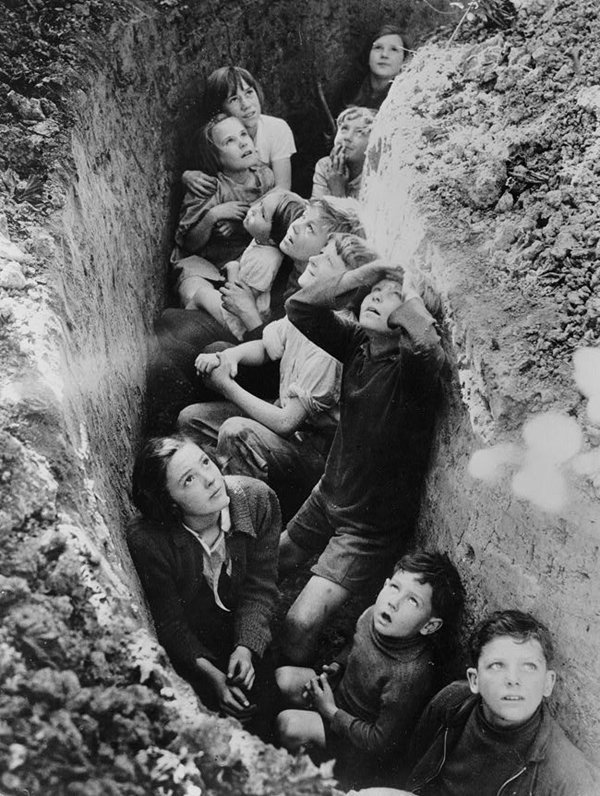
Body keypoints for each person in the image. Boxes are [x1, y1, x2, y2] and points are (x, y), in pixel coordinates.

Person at [279, 260, 446, 665]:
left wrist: (408, 297)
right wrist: (359, 276)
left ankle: (284, 693)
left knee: (300, 622)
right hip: (329, 495)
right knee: (276, 559)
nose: (376, 297)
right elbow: (300, 308)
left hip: (368, 528)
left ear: (408, 316)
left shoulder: (410, 374)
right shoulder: (358, 344)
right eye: (374, 292)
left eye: (391, 296)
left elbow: (427, 348)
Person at [176, 233, 378, 521]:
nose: (314, 258)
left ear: (343, 287)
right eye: (320, 251)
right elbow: (266, 347)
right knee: (190, 421)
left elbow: (287, 423)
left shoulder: (332, 343)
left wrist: (226, 385)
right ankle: (208, 499)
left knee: (236, 432)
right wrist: (231, 357)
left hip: (310, 455)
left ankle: (247, 521)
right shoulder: (307, 312)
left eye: (327, 259)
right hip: (282, 428)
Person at [127, 435, 280, 740]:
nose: (210, 479)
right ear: (169, 502)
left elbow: (260, 589)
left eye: (206, 462)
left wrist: (246, 647)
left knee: (265, 712)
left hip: (242, 627)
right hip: (195, 645)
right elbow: (171, 624)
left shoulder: (257, 500)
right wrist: (214, 678)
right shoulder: (149, 541)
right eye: (188, 480)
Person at [350, 610, 600, 796]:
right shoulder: (452, 703)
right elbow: (408, 765)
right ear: (474, 679)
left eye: (529, 667)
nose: (513, 680)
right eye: (497, 666)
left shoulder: (565, 777)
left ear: (548, 683)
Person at [275, 551, 465, 790]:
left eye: (412, 601)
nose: (393, 602)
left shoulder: (409, 675)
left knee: (288, 724)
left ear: (429, 626)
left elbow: (379, 742)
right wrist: (336, 666)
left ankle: (306, 777)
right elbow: (355, 645)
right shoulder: (373, 615)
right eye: (395, 587)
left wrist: (331, 712)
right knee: (283, 678)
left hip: (356, 744)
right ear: (385, 585)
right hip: (338, 700)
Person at [152, 195, 365, 394]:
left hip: (270, 378)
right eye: (302, 217)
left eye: (310, 228)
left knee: (203, 344)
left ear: (326, 248)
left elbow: (274, 365)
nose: (296, 226)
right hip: (246, 337)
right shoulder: (286, 258)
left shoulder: (316, 296)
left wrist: (249, 313)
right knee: (172, 320)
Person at [172, 113, 275, 308]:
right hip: (206, 264)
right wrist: (213, 216)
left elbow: (275, 225)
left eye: (244, 135)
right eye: (230, 141)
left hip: (245, 260)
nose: (243, 143)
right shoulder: (209, 188)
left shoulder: (265, 177)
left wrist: (240, 228)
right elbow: (189, 244)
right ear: (216, 157)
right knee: (191, 290)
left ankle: (238, 316)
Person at [187, 188, 298, 338]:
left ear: (272, 239)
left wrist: (234, 268)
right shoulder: (262, 240)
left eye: (263, 214)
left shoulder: (264, 261)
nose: (254, 210)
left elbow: (240, 297)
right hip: (238, 308)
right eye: (260, 204)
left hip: (239, 322)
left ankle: (182, 325)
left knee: (201, 294)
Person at [183, 66, 296, 195]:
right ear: (220, 109)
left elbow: (283, 188)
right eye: (234, 99)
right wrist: (187, 176)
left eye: (249, 93)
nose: (246, 105)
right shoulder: (215, 136)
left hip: (268, 206)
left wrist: (250, 209)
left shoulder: (277, 128)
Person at [334, 25, 408, 114]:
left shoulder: (405, 99)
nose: (384, 54)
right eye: (378, 48)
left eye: (394, 49)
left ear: (404, 59)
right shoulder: (348, 90)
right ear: (368, 54)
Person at [311, 107, 376, 201]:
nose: (347, 137)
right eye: (344, 128)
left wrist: (338, 191)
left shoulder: (375, 174)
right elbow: (316, 212)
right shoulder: (325, 166)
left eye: (359, 132)